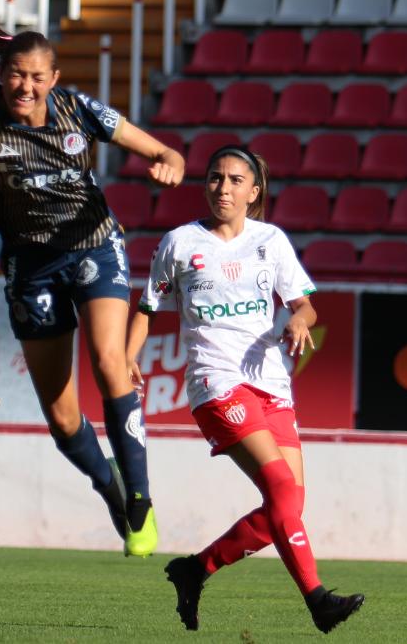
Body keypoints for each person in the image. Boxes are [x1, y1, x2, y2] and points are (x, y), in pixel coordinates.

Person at [0, 18, 185, 557]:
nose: (26, 87)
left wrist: (170, 164)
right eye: (17, 75)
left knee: (110, 362)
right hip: (31, 264)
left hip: (93, 246)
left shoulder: (78, 109)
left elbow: (164, 153)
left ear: (54, 78)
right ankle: (110, 488)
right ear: (1, 74)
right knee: (62, 418)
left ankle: (140, 497)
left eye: (38, 77)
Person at [127, 145, 364, 633]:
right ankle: (318, 601)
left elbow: (306, 305)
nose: (223, 188)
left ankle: (195, 569)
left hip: (270, 381)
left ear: (253, 192)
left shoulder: (270, 241)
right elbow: (147, 308)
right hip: (215, 381)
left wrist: (299, 319)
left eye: (236, 180)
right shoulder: (179, 243)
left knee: (288, 506)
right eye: (216, 178)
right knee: (281, 489)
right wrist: (127, 356)